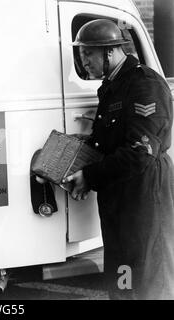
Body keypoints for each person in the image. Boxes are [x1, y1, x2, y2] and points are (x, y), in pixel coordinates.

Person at [63, 19, 174, 299]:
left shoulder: (144, 84)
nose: (83, 60)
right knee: (122, 271)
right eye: (82, 54)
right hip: (118, 195)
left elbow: (140, 152)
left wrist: (89, 176)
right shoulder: (113, 85)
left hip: (144, 196)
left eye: (88, 53)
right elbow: (108, 142)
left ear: (110, 52)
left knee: (149, 275)